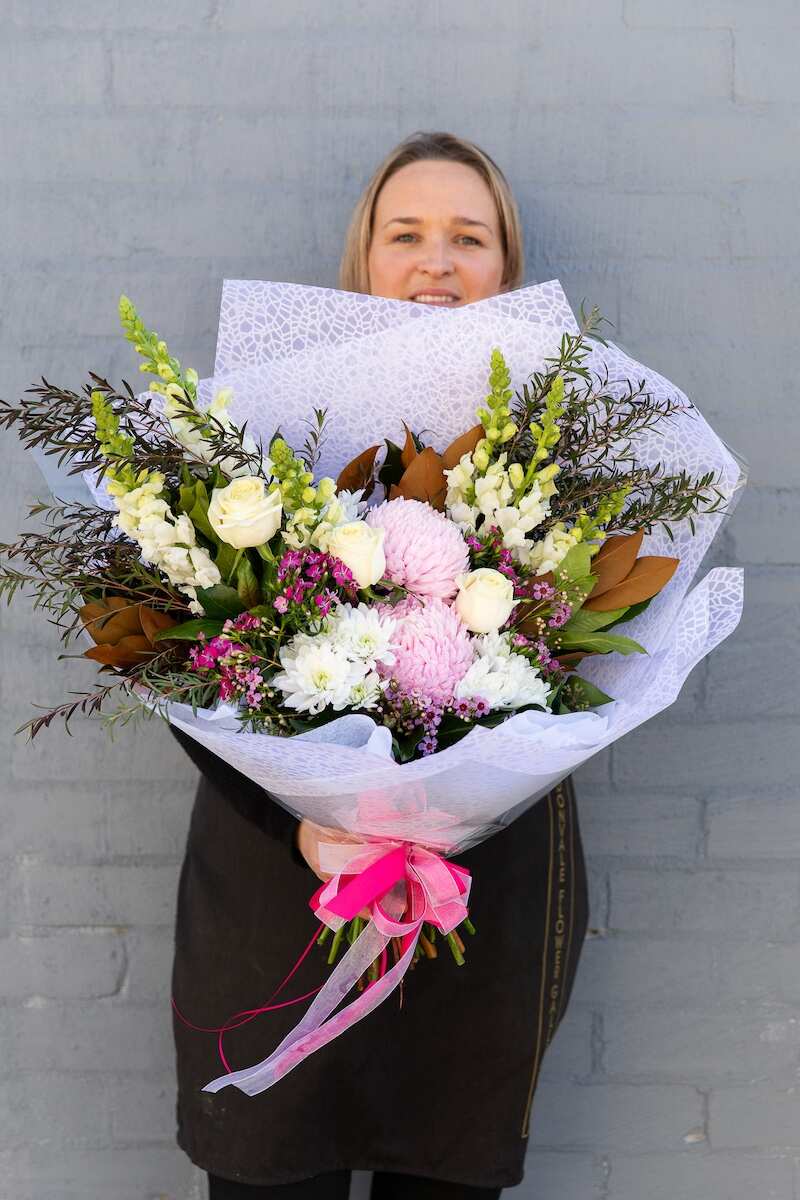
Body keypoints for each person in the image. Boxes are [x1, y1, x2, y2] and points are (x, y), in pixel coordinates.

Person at [169, 131, 590, 1200]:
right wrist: (302, 822)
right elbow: (187, 659)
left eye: (468, 238)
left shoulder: (560, 451)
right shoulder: (266, 433)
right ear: (363, 259)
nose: (436, 263)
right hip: (280, 897)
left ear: (506, 264)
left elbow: (591, 670)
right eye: (405, 235)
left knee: (442, 1173)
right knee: (275, 1172)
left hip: (476, 908)